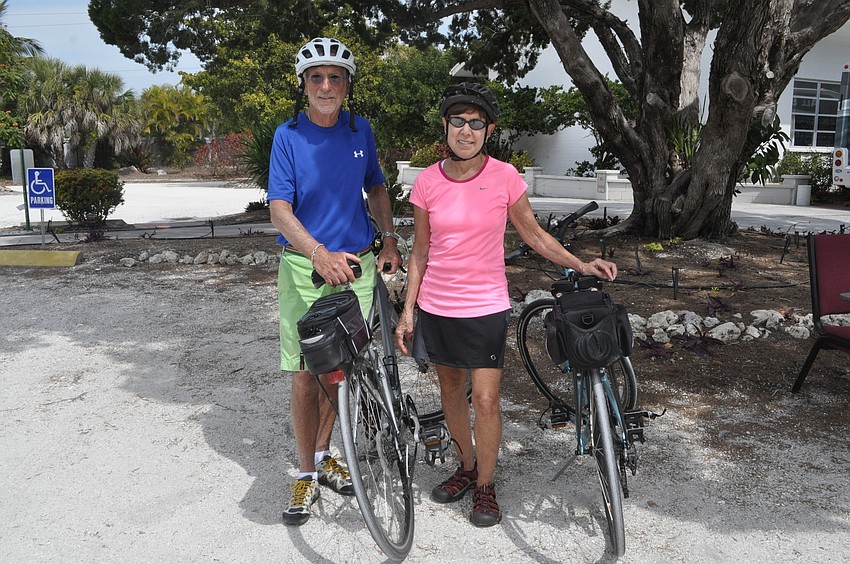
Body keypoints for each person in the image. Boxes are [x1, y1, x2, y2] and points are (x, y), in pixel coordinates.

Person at [394, 82, 617, 528]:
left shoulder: (504, 176)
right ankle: (466, 466)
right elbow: (420, 251)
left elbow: (533, 235)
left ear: (489, 130)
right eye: (458, 120)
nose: (466, 130)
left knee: (488, 399)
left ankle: (486, 486)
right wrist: (407, 311)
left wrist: (580, 264)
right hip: (438, 304)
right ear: (446, 125)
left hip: (486, 304)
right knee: (451, 392)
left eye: (476, 123)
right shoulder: (427, 182)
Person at [267, 37, 402, 526]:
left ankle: (326, 456)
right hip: (306, 269)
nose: (326, 85)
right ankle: (305, 471)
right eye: (316, 77)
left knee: (340, 371)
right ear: (303, 85)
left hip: (359, 267)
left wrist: (388, 239)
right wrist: (318, 253)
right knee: (306, 375)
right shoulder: (288, 135)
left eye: (335, 77)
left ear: (347, 85)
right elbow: (279, 207)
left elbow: (377, 186)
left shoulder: (359, 128)